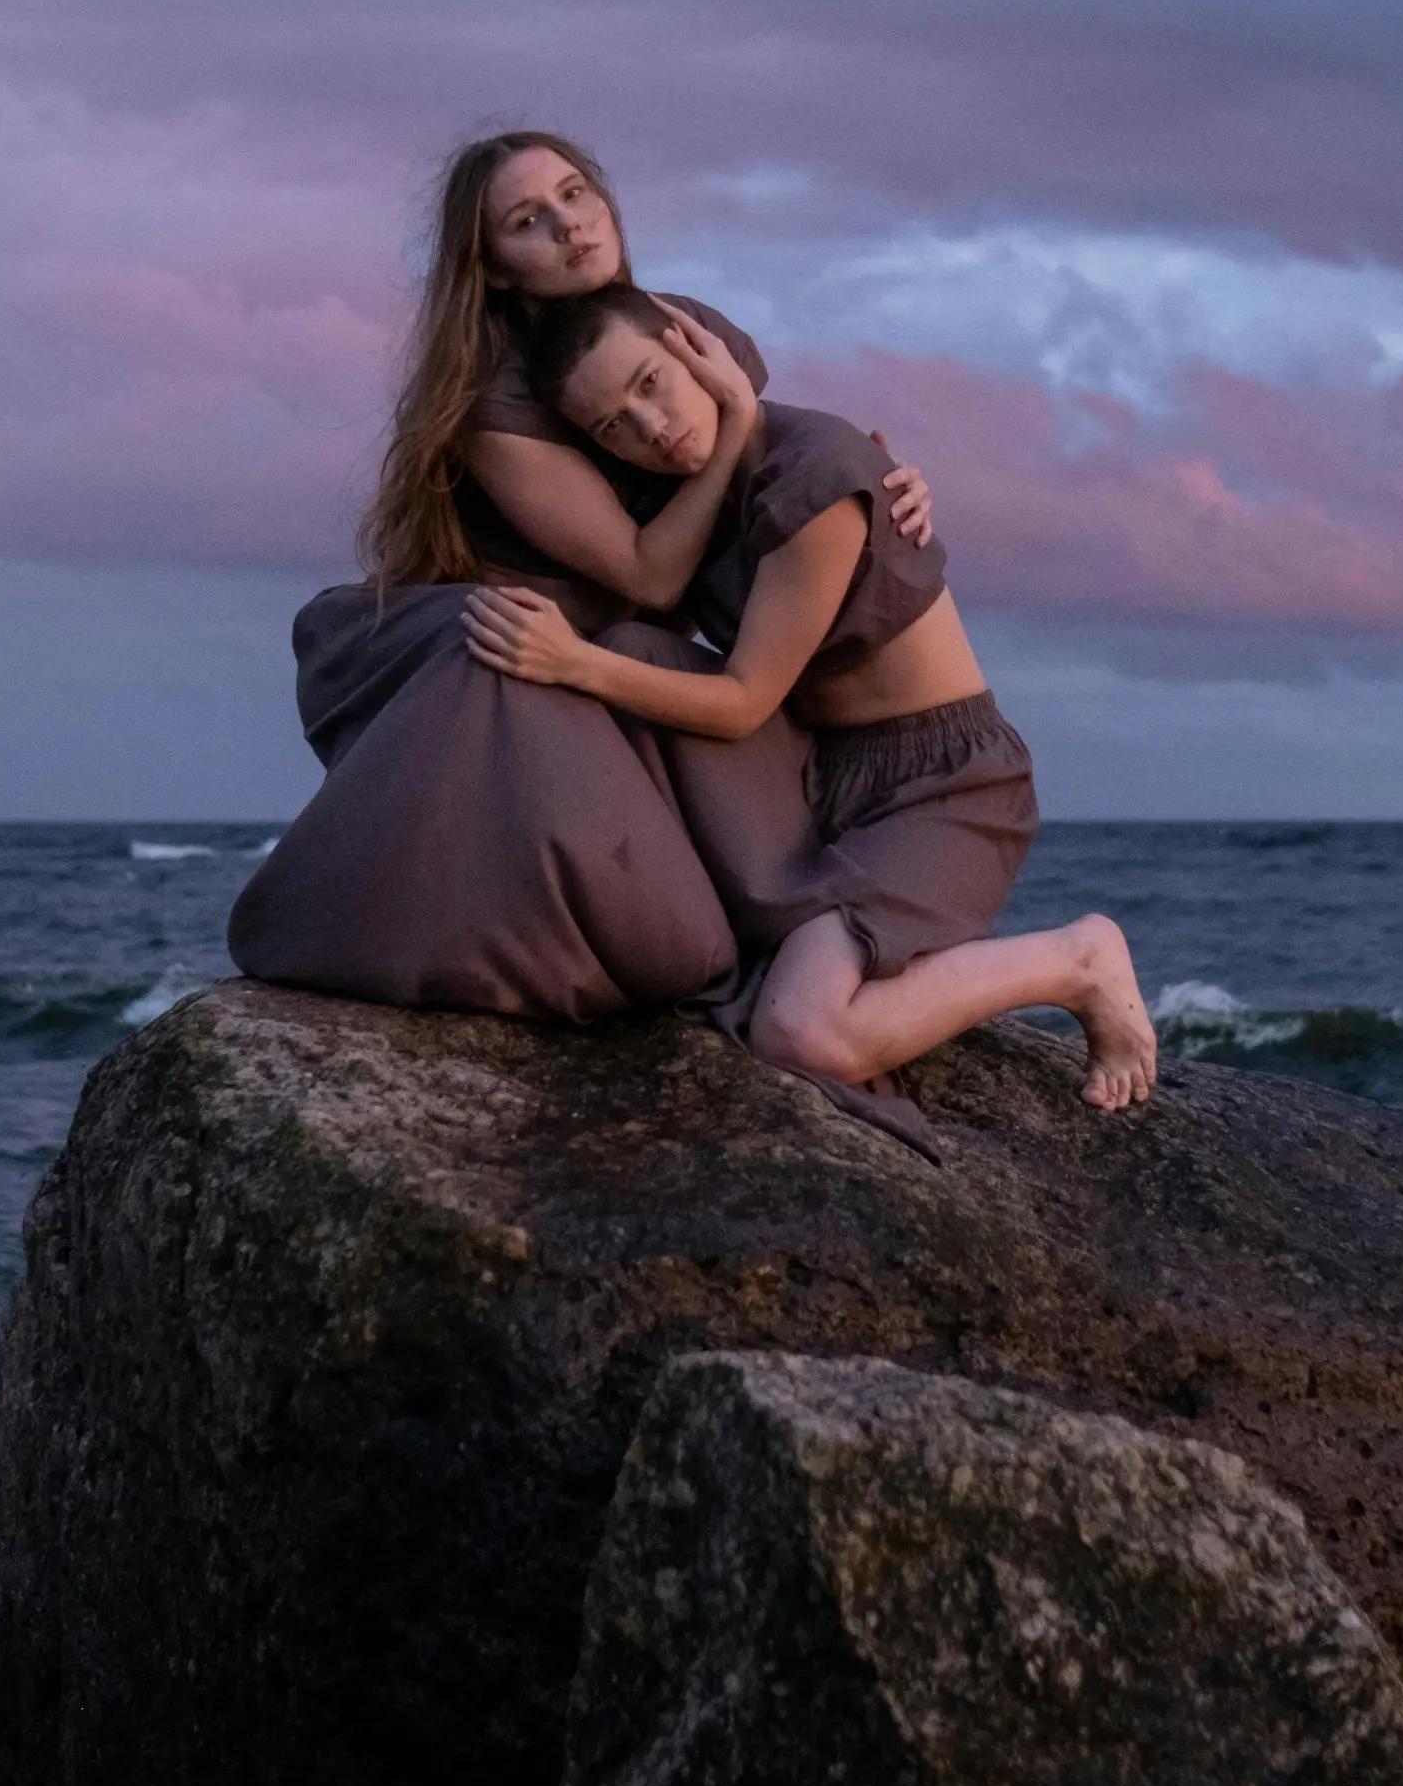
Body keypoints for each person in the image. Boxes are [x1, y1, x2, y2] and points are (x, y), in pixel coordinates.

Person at [226, 133, 929, 1019]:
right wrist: (739, 422)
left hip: (613, 665)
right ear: (497, 271)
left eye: (575, 193)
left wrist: (870, 478)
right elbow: (654, 573)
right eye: (529, 221)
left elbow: (773, 465)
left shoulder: (678, 324)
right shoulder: (494, 404)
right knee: (680, 950)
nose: (569, 226)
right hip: (513, 653)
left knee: (730, 924)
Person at [461, 281, 1159, 1120]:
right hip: (814, 773)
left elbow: (742, 701)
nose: (651, 428)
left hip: (942, 787)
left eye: (650, 382)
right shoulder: (680, 498)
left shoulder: (817, 479)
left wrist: (571, 662)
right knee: (635, 652)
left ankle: (1077, 958)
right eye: (615, 424)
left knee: (800, 1034)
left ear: (694, 348)